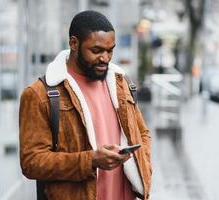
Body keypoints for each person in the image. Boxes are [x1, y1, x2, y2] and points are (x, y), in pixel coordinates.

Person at [19, 10, 152, 200]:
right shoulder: (39, 94)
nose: (105, 58)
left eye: (110, 50)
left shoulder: (122, 84)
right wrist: (90, 160)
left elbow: (143, 134)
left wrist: (142, 164)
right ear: (74, 43)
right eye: (96, 50)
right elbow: (31, 162)